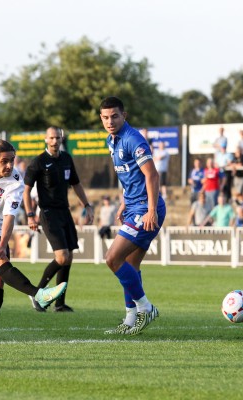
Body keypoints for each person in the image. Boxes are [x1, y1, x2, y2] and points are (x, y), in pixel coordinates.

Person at [0, 140, 67, 341]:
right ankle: (39, 294)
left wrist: (2, 244)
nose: (10, 165)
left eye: (12, 160)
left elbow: (9, 216)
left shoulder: (15, 182)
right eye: (4, 161)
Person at [99, 96, 166, 335]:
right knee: (130, 264)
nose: (110, 121)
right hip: (134, 205)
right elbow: (130, 176)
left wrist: (149, 210)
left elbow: (152, 176)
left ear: (124, 116)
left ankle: (146, 308)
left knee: (112, 259)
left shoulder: (133, 139)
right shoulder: (112, 140)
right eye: (105, 117)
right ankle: (130, 320)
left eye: (115, 116)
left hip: (146, 209)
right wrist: (123, 202)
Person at [23, 126, 94, 312]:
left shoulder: (66, 159)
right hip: (47, 213)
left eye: (57, 138)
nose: (55, 141)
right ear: (46, 139)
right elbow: (26, 191)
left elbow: (76, 184)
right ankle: (37, 293)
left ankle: (59, 303)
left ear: (61, 139)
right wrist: (30, 215)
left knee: (69, 258)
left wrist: (87, 206)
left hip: (65, 212)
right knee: (61, 257)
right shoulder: (38, 162)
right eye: (51, 138)